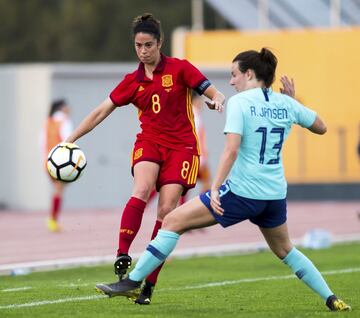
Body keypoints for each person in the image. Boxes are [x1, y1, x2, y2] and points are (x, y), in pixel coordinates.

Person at [95, 48, 351, 312]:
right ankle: (332, 298)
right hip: (274, 195)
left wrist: (215, 188)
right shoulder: (285, 103)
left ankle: (134, 281)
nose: (231, 82)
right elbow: (321, 126)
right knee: (286, 250)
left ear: (249, 74)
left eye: (234, 75)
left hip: (243, 191)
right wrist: (293, 103)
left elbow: (231, 150)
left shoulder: (240, 102)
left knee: (171, 221)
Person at [65, 13, 225, 304]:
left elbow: (209, 89)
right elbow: (101, 111)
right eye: (138, 45)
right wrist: (71, 139)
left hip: (182, 147)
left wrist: (218, 98)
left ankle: (147, 281)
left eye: (148, 45)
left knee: (166, 211)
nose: (143, 51)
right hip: (150, 142)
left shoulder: (180, 69)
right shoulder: (132, 81)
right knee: (141, 189)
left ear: (159, 43)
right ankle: (122, 254)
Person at [41, 99, 73, 232]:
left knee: (57, 190)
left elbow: (41, 142)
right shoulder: (64, 121)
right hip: (61, 161)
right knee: (59, 191)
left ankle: (53, 218)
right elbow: (68, 139)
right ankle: (53, 220)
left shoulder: (47, 122)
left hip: (48, 161)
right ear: (62, 107)